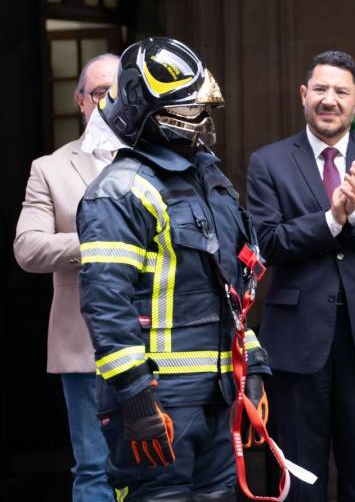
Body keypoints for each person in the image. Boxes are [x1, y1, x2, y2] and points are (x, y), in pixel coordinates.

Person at [77, 37, 271, 501]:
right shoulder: (119, 192)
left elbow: (233, 286)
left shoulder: (210, 180)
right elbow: (106, 308)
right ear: (150, 112)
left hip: (221, 394)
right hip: (159, 402)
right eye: (188, 112)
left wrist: (255, 365)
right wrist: (136, 396)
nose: (201, 123)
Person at [245, 50, 355, 502]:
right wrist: (330, 221)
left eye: (340, 91)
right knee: (300, 473)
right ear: (303, 96)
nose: (329, 100)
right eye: (319, 89)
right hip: (296, 338)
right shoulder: (269, 161)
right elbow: (265, 243)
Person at [14, 53, 121, 502]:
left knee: (163, 469)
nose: (110, 102)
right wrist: (97, 246)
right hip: (86, 346)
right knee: (96, 470)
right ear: (81, 102)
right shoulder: (51, 169)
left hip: (162, 341)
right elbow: (28, 248)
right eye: (100, 92)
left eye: (121, 92)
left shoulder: (164, 162)